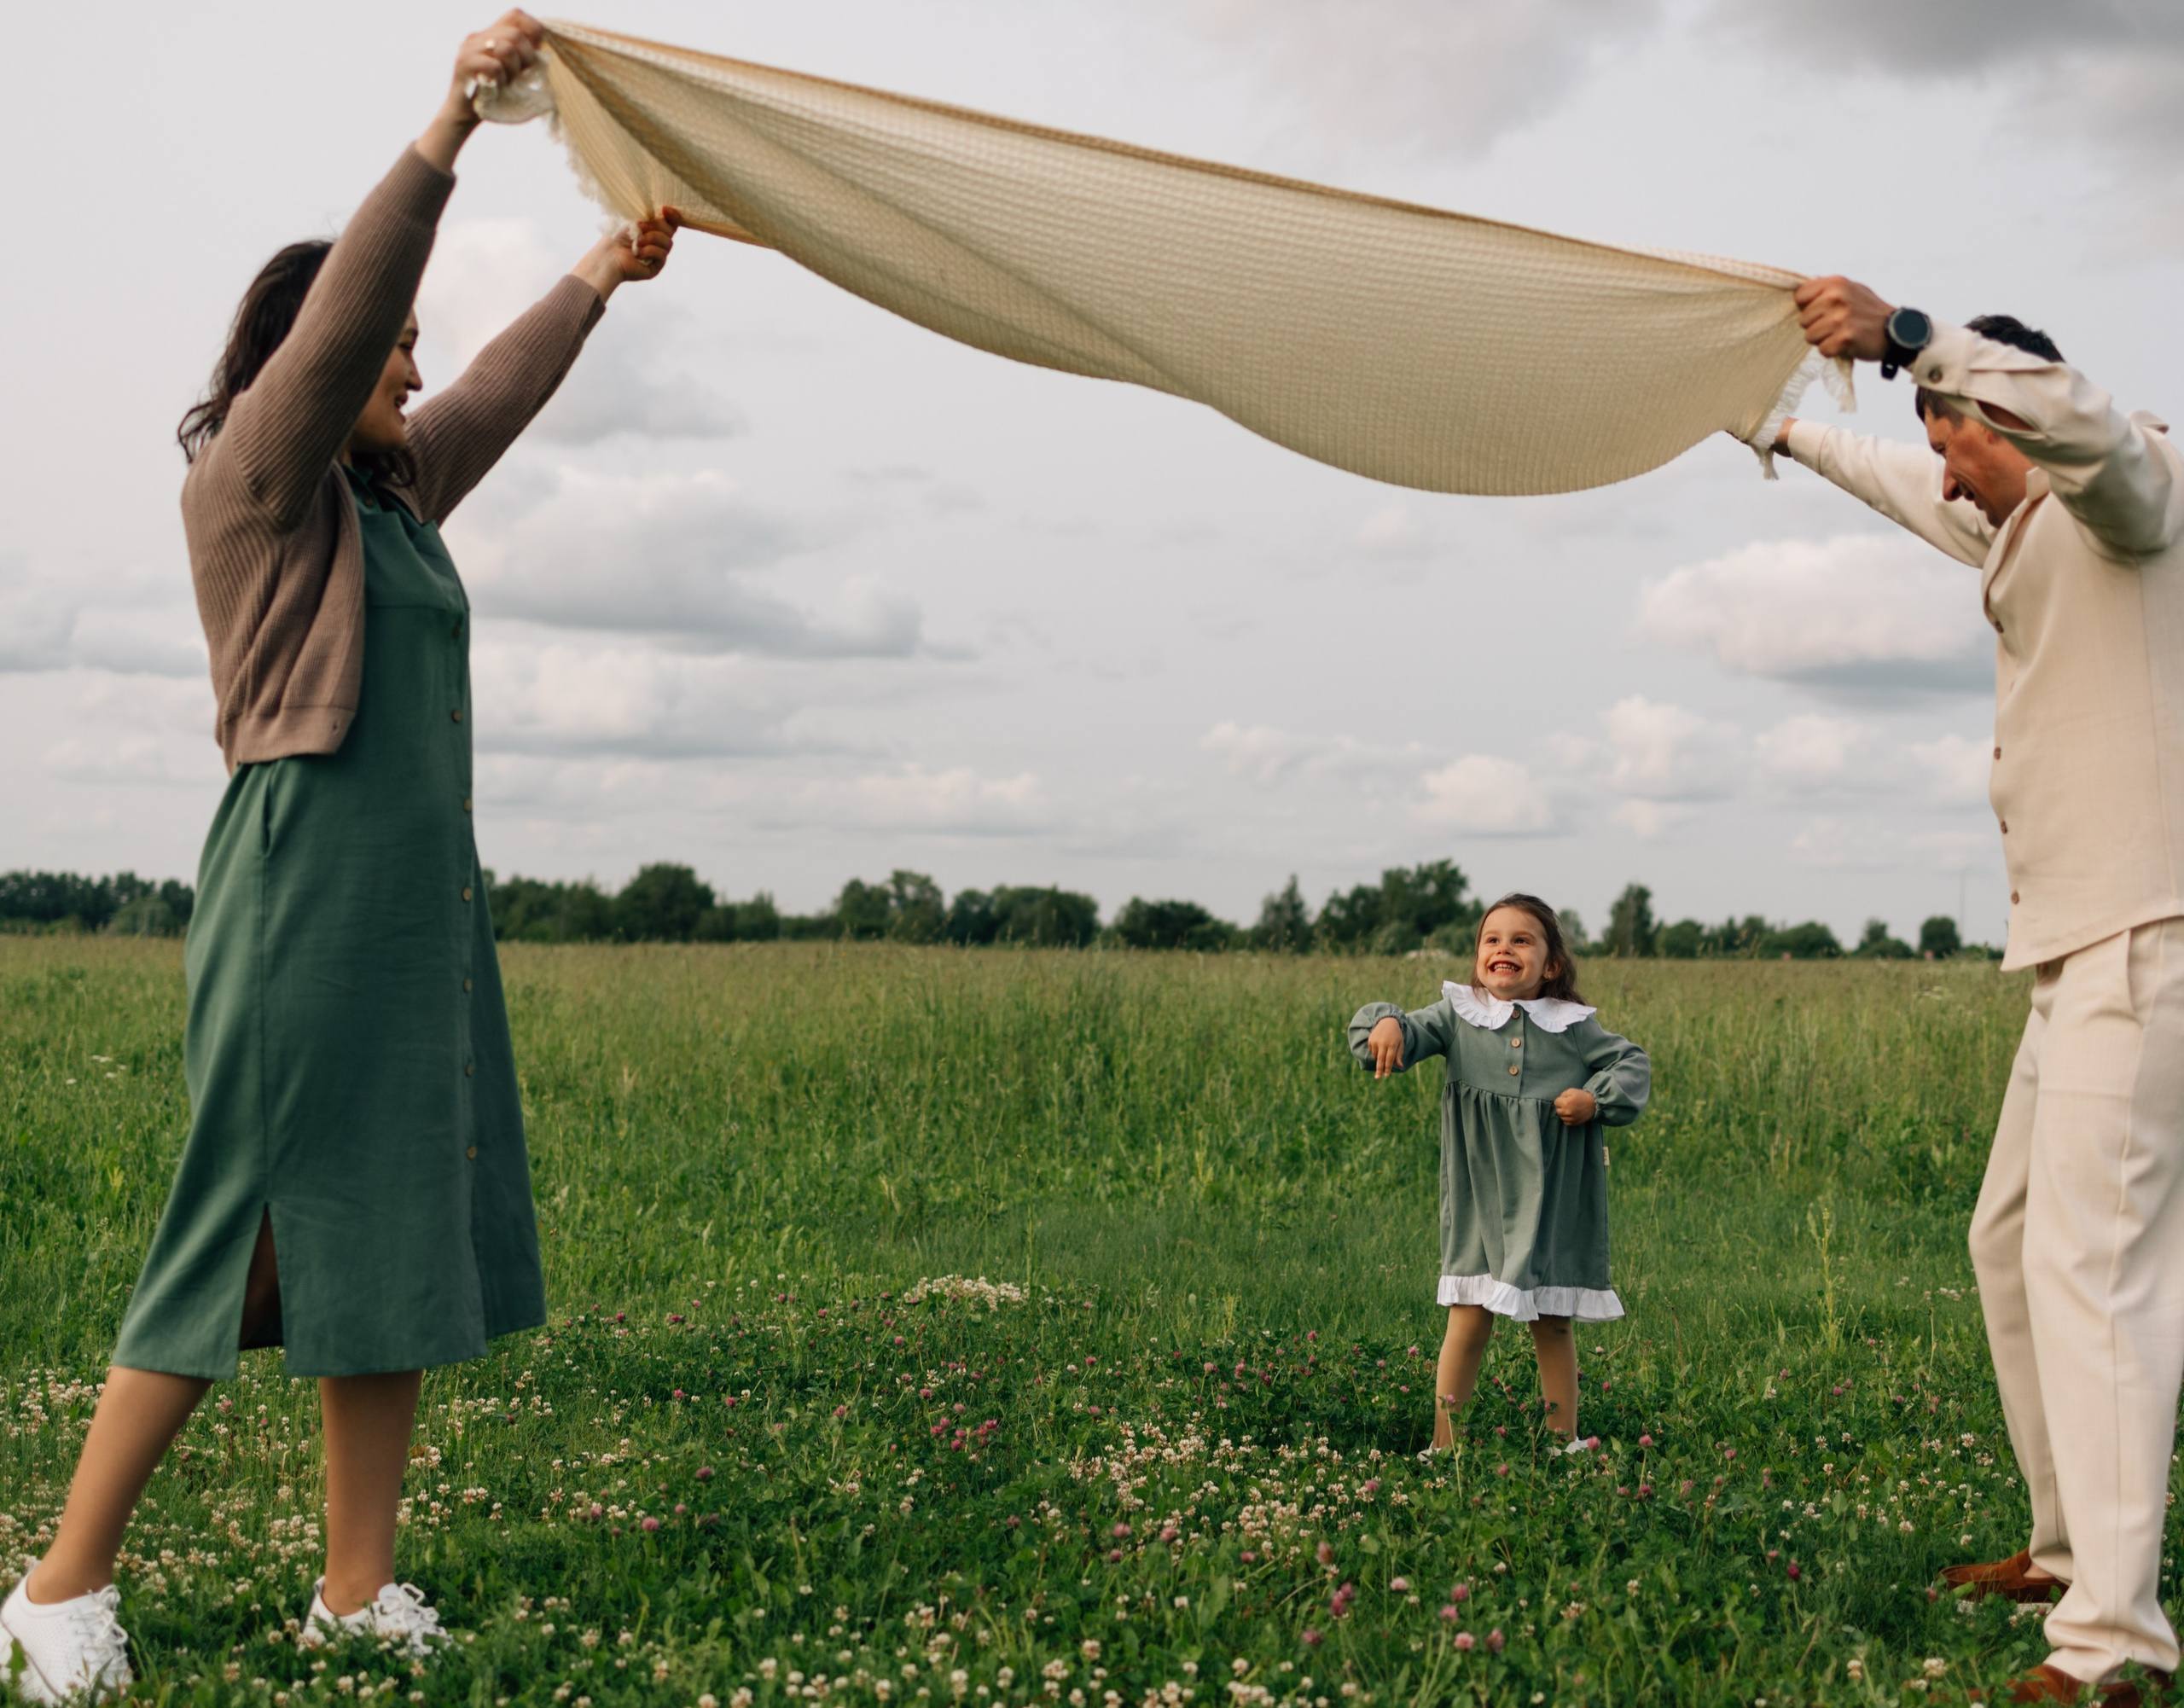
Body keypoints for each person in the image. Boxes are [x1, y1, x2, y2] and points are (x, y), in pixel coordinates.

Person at [0, 14, 682, 1702]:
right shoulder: (255, 488)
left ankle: (355, 1589)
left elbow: (492, 394)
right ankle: (58, 1585)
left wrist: (598, 274)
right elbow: (350, 327)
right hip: (299, 897)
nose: (412, 372)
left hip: (410, 913)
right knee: (234, 1228)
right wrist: (450, 129)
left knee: (388, 1230)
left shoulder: (397, 501)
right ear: (321, 350)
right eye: (392, 349)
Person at [1769, 277, 2184, 1705]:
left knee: (2097, 1271)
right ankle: (2068, 1550)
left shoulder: (2132, 490)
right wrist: (1764, 420)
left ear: (2010, 412)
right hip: (2078, 949)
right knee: (2009, 1239)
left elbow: (2086, 433)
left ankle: (2117, 1643)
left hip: (2148, 935)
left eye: (1960, 439)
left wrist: (1909, 341)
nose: (1945, 473)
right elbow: (1897, 478)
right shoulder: (2012, 519)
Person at [1349, 895, 1648, 1450]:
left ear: (1550, 965)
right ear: (1478, 955)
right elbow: (1399, 1036)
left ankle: (1562, 1444)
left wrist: (1594, 1099)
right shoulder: (1459, 1016)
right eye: (1492, 939)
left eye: (1521, 940)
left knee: (1553, 1321)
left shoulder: (1572, 1027)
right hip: (1478, 1199)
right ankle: (1445, 1448)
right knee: (1468, 1317)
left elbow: (1631, 1063)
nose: (1503, 948)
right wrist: (1386, 1023)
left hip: (1553, 1199)